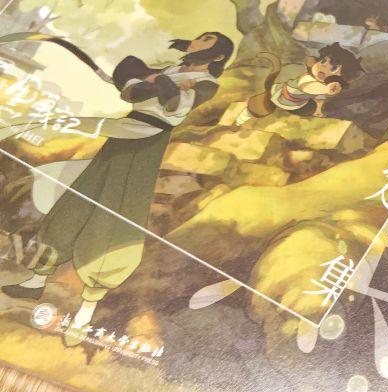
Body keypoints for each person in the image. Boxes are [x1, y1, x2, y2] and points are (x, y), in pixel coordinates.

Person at [2, 32, 234, 333]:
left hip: (146, 144)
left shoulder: (206, 83)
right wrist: (150, 81)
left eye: (206, 41)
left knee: (117, 214)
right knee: (78, 199)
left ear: (218, 55)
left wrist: (159, 84)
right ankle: (36, 280)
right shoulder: (172, 69)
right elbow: (133, 91)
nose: (196, 43)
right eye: (199, 38)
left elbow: (173, 105)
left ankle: (87, 310)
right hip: (122, 134)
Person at [235, 43, 361, 124]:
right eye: (323, 62)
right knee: (258, 109)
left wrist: (319, 107)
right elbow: (309, 87)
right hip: (281, 98)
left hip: (297, 103)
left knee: (312, 107)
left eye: (333, 68)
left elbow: (318, 96)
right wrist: (326, 89)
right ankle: (239, 120)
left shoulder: (323, 84)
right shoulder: (307, 79)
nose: (324, 68)